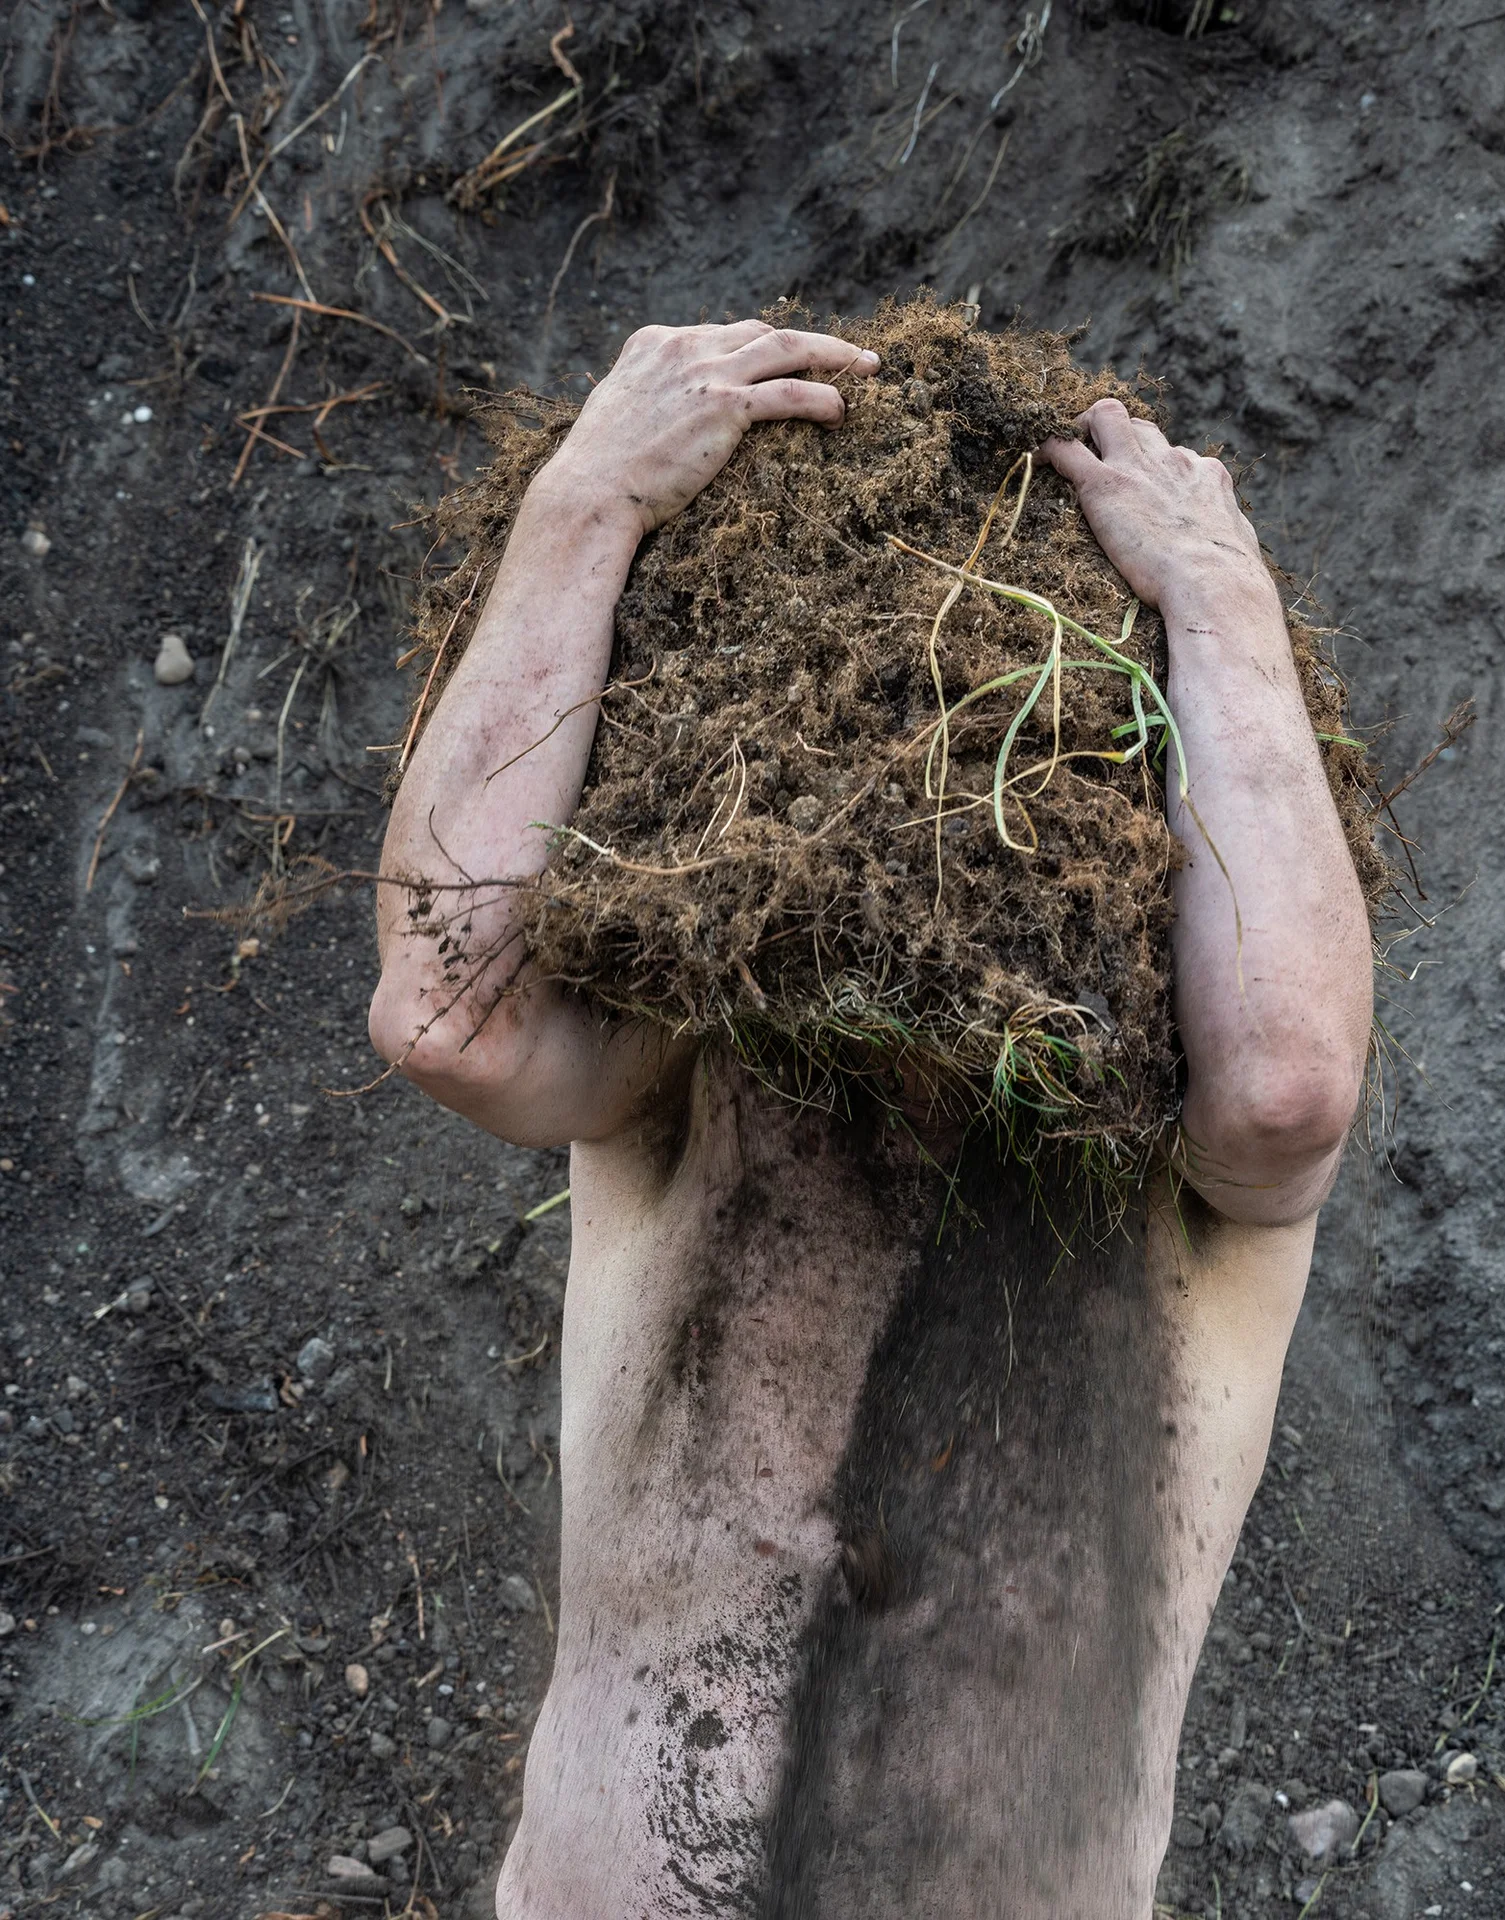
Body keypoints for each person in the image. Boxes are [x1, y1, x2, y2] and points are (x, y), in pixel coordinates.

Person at [368, 319, 1373, 1918]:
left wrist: (1220, 603)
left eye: (997, 731)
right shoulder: (691, 1063)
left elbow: (1288, 1079)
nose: (926, 773)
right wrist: (589, 504)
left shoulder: (1185, 1172)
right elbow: (449, 1010)